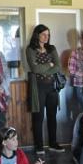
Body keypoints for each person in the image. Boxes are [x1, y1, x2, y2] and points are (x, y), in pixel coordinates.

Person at [26, 24, 64, 155]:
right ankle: (39, 146)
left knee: (52, 116)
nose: (46, 37)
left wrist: (46, 68)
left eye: (48, 34)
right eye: (43, 34)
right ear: (37, 35)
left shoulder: (51, 48)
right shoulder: (30, 49)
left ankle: (53, 143)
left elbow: (58, 67)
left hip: (52, 86)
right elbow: (34, 69)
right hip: (38, 87)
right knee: (38, 117)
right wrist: (49, 64)